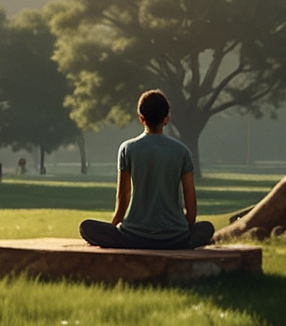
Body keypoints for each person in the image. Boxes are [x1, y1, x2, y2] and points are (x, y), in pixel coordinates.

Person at [79, 89, 214, 250]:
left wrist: (114, 227)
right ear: (167, 119)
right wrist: (186, 227)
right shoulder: (182, 151)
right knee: (207, 228)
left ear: (141, 118)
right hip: (175, 237)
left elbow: (123, 196)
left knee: (86, 227)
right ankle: (181, 242)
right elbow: (190, 197)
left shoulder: (128, 149)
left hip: (133, 236)